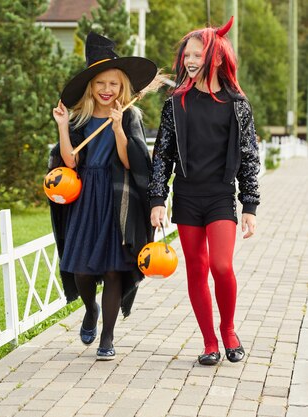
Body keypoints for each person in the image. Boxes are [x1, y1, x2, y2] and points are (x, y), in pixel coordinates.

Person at [148, 17, 260, 365]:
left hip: (220, 196)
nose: (189, 60)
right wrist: (157, 200)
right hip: (186, 196)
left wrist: (250, 205)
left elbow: (249, 156)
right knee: (196, 269)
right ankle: (210, 342)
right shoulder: (175, 103)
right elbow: (162, 154)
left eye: (197, 54)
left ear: (215, 56)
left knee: (221, 265)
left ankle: (228, 330)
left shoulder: (237, 105)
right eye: (187, 55)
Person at [50, 32, 156, 360]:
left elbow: (131, 161)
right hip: (85, 200)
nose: (106, 90)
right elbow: (70, 160)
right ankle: (90, 310)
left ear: (121, 86)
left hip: (117, 200)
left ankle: (107, 337)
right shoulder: (80, 116)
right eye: (100, 84)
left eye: (112, 84)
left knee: (113, 270)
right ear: (91, 87)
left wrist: (119, 128)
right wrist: (63, 126)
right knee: (81, 269)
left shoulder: (129, 115)